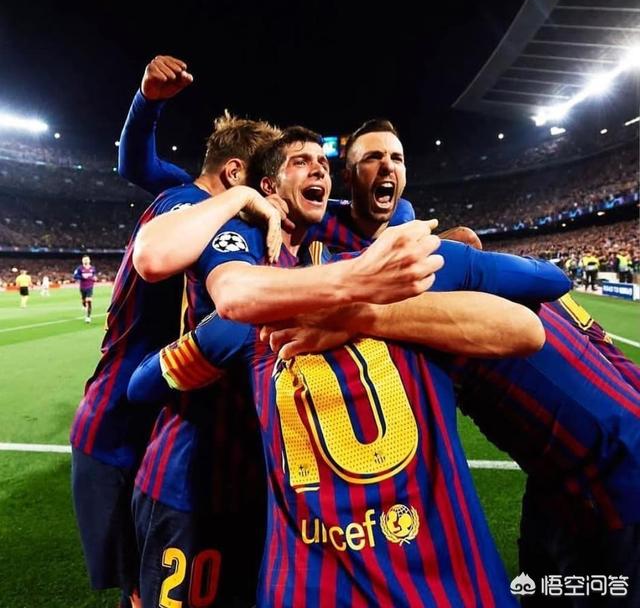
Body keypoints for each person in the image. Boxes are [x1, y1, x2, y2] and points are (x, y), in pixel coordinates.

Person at [128, 127, 550, 607]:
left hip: (272, 492)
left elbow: (529, 312)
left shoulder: (338, 246)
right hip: (200, 478)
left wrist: (364, 301)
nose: (318, 170)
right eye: (301, 162)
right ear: (268, 187)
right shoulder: (238, 236)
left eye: (324, 165)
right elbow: (192, 285)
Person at [70, 111, 282, 608]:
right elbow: (158, 259)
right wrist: (243, 199)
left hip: (133, 413)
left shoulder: (188, 199)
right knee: (141, 593)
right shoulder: (190, 204)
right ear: (234, 174)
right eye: (262, 183)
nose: (268, 196)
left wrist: (146, 102)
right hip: (121, 427)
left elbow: (134, 163)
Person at [73, 256, 97, 323]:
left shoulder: (92, 268)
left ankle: (88, 317)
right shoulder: (79, 268)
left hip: (90, 287)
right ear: (82, 261)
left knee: (89, 301)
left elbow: (94, 276)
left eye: (87, 259)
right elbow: (75, 276)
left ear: (89, 260)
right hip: (82, 287)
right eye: (84, 260)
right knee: (83, 299)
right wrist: (82, 277)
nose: (86, 261)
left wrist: (95, 278)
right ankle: (83, 305)